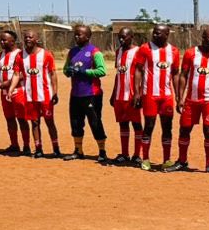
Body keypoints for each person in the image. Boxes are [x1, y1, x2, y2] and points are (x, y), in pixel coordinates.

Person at [174, 27, 209, 173]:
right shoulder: (190, 53)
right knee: (184, 129)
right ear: (203, 38)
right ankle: (182, 161)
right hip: (191, 100)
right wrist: (179, 98)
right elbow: (183, 75)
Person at [132, 23, 180, 171]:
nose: (155, 35)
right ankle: (145, 158)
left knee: (167, 128)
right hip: (149, 95)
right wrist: (137, 92)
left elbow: (175, 74)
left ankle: (167, 159)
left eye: (159, 33)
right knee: (149, 126)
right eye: (154, 32)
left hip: (167, 97)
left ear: (167, 35)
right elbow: (138, 70)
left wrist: (178, 96)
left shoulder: (174, 51)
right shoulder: (145, 48)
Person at [8, 30, 61, 158]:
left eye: (31, 37)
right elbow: (16, 74)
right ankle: (38, 149)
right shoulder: (20, 56)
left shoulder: (46, 54)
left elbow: (53, 74)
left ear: (36, 39)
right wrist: (11, 89)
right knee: (35, 122)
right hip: (30, 96)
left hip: (45, 95)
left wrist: (55, 92)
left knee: (49, 122)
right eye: (26, 37)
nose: (28, 39)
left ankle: (56, 149)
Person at [62, 24, 109, 162]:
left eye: (79, 34)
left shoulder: (95, 52)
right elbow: (65, 69)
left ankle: (102, 151)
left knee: (95, 122)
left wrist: (85, 72)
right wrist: (68, 71)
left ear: (88, 36)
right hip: (76, 94)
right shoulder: (72, 52)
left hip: (92, 94)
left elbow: (102, 71)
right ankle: (78, 151)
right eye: (75, 34)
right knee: (76, 122)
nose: (76, 37)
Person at [110, 27, 144, 166]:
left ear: (132, 37)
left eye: (124, 37)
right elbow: (118, 74)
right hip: (119, 96)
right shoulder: (118, 52)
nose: (121, 39)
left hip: (132, 96)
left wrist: (139, 93)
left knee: (136, 124)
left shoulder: (139, 52)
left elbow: (143, 74)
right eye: (119, 37)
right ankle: (124, 154)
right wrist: (113, 94)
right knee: (123, 124)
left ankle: (137, 155)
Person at [0, 30, 26, 155]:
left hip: (18, 91)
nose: (1, 42)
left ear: (13, 41)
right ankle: (14, 144)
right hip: (4, 93)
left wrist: (7, 83)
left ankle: (26, 146)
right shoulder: (0, 55)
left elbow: (23, 74)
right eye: (1, 40)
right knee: (9, 118)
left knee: (21, 119)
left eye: (4, 40)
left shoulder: (20, 54)